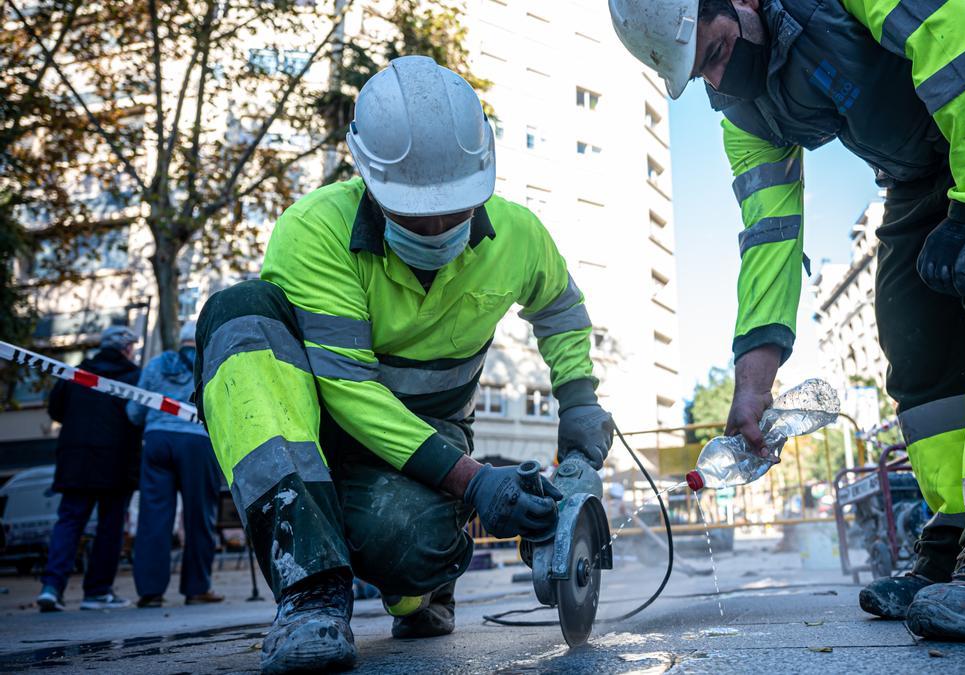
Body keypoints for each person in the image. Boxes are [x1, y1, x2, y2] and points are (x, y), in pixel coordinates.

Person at [611, 0, 965, 641]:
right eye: (702, 74)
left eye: (720, 52)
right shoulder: (743, 115)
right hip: (923, 158)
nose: (721, 82)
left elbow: (960, 46)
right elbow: (770, 238)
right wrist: (753, 383)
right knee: (910, 327)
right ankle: (962, 540)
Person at [194, 56, 614, 673]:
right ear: (367, 178)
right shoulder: (315, 232)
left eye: (457, 209)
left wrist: (578, 400)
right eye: (416, 215)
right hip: (314, 434)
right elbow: (351, 389)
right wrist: (474, 480)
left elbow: (560, 308)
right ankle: (311, 598)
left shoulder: (521, 237)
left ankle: (421, 590)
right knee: (239, 315)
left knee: (413, 541)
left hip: (429, 441)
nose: (439, 228)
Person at [37, 325, 142, 612]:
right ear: (127, 349)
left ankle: (51, 587)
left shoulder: (75, 374)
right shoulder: (134, 376)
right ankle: (96, 592)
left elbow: (56, 410)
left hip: (76, 460)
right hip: (116, 462)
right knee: (110, 527)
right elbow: (138, 416)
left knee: (69, 522)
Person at [127, 320, 224, 608]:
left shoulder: (156, 365)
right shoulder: (211, 363)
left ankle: (150, 591)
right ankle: (197, 589)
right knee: (199, 515)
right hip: (196, 442)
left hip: (157, 441)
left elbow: (134, 411)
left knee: (154, 515)